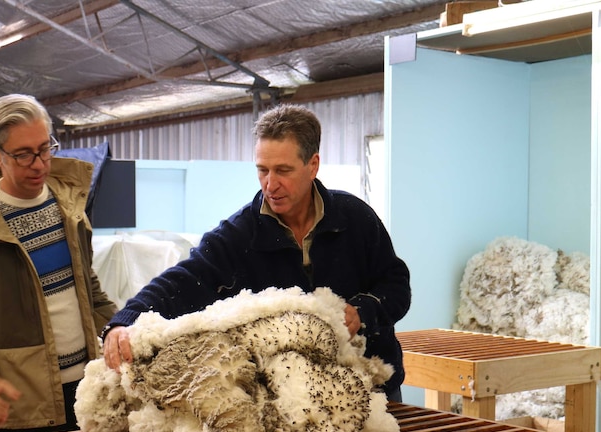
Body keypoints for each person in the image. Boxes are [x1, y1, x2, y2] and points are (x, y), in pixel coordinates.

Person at [102, 104, 411, 402]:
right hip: (294, 402)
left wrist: (363, 311)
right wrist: (127, 318)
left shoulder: (354, 219)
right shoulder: (240, 235)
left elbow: (396, 285)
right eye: (262, 170)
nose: (270, 184)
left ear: (313, 165)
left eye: (283, 170)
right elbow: (186, 278)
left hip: (374, 388)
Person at [0, 93, 117, 432]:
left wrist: (122, 329)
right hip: (27, 406)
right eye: (23, 155)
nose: (39, 164)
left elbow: (87, 288)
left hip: (89, 390)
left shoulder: (70, 207)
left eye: (45, 148)